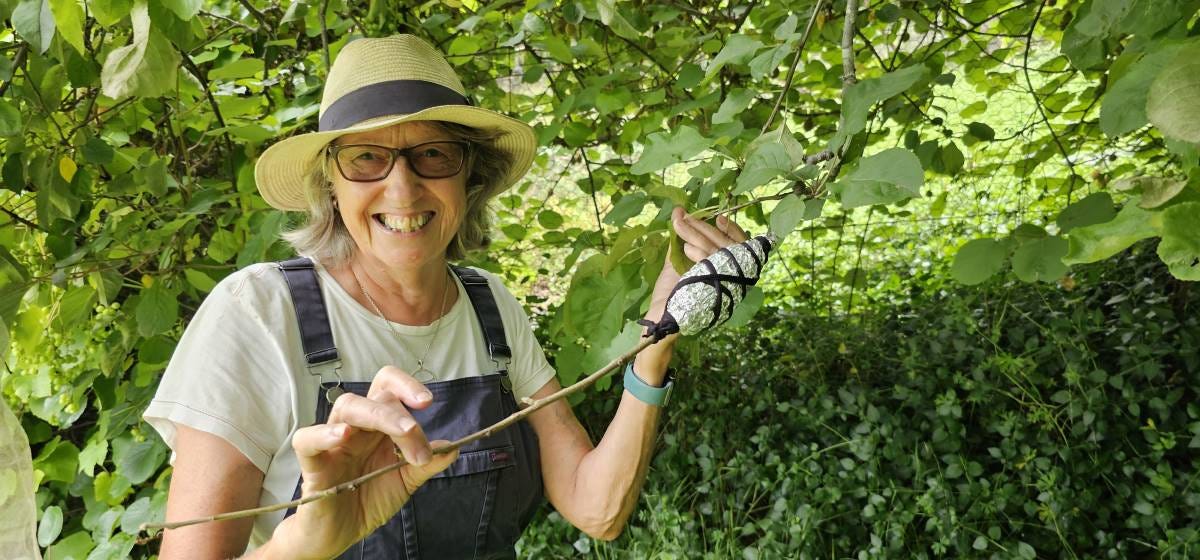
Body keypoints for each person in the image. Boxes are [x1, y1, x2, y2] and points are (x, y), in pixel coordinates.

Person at [144, 35, 748, 559]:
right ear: (329, 182)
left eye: (432, 154)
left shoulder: (490, 309)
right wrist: (301, 545)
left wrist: (659, 333)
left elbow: (598, 510)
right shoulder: (258, 313)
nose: (402, 189)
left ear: (469, 176)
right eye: (366, 159)